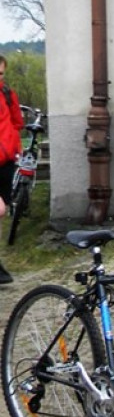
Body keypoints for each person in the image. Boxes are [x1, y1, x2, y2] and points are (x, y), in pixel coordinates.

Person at [0, 56, 24, 284]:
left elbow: (17, 122)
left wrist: (15, 146)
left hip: (6, 162)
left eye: (1, 74)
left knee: (2, 210)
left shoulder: (7, 94)